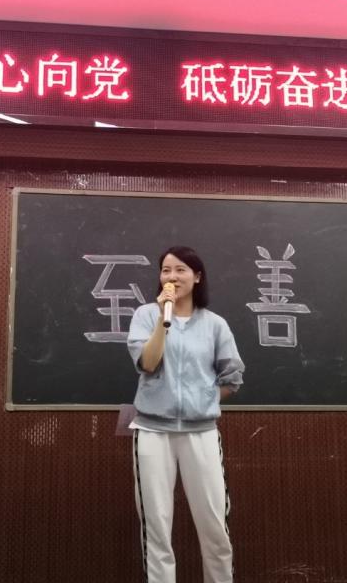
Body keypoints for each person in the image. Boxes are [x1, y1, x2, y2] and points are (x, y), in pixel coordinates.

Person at [127, 246, 245, 583]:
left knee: (214, 525)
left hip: (201, 432)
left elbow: (232, 378)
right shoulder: (145, 315)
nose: (172, 277)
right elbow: (148, 363)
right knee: (156, 525)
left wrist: (202, 401)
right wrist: (163, 321)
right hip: (153, 431)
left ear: (197, 276)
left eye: (180, 270)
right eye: (166, 270)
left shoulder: (215, 325)